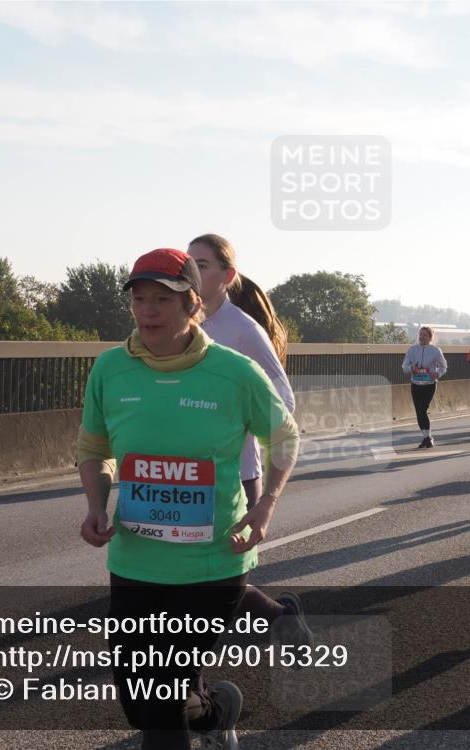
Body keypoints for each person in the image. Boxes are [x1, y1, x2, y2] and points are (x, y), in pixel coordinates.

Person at [77, 248, 299, 750]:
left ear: (192, 304)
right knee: (142, 701)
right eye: (139, 299)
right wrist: (96, 503)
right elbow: (94, 447)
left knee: (159, 697)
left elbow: (284, 437)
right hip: (136, 558)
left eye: (163, 298)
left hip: (213, 562)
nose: (148, 310)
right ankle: (216, 712)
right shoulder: (111, 369)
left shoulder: (234, 372)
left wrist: (265, 506)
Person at [186, 234, 310, 646]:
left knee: (219, 588)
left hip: (235, 474)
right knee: (191, 583)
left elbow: (283, 399)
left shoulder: (243, 330)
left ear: (227, 275)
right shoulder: (180, 321)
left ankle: (280, 620)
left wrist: (230, 425)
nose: (192, 270)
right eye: (189, 263)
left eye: (202, 264)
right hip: (184, 474)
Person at [402, 326, 448, 449]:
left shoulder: (435, 350)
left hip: (429, 385)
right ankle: (426, 437)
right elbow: (404, 366)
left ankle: (429, 437)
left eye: (425, 335)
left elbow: (444, 366)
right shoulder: (412, 350)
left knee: (423, 409)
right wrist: (412, 368)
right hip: (415, 384)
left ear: (430, 337)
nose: (422, 337)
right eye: (420, 335)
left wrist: (437, 374)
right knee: (418, 412)